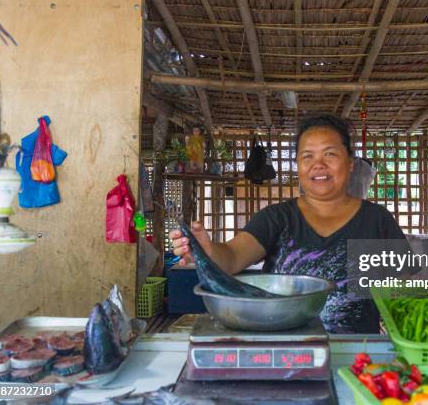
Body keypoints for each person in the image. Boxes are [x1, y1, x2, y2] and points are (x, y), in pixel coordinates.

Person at [169, 114, 408, 333]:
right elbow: (231, 257)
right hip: (283, 352)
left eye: (330, 154)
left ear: (350, 162)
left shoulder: (378, 220)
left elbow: (403, 293)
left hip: (359, 358)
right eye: (308, 156)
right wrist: (208, 251)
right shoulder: (277, 218)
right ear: (299, 166)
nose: (318, 164)